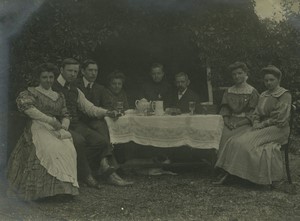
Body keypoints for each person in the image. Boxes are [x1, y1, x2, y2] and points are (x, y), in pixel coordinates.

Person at [52, 58, 133, 188]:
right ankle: (87, 175)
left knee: (101, 141)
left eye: (75, 71)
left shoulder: (74, 88)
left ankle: (96, 169)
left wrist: (107, 112)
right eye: (70, 71)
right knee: (79, 141)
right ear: (61, 70)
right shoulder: (53, 86)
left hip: (76, 124)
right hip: (60, 125)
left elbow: (88, 107)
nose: (73, 74)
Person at [6, 63, 79, 201]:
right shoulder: (31, 92)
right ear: (39, 78)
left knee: (69, 148)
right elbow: (28, 109)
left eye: (51, 77)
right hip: (37, 125)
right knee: (50, 148)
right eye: (44, 77)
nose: (48, 80)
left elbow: (66, 113)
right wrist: (50, 121)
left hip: (56, 128)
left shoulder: (59, 95)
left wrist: (64, 126)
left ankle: (63, 190)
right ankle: (43, 192)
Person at [214, 65, 292, 186]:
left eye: (272, 80)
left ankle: (251, 176)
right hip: (261, 126)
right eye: (266, 80)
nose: (268, 83)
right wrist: (255, 122)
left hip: (278, 129)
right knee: (233, 140)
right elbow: (256, 113)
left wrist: (261, 125)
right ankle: (232, 173)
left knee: (244, 143)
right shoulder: (264, 94)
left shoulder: (284, 94)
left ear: (278, 80)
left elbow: (280, 118)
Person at [218, 62, 259, 152]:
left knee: (236, 141)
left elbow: (253, 114)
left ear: (246, 74)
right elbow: (225, 110)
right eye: (234, 74)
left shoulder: (252, 91)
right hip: (230, 122)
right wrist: (227, 123)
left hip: (246, 123)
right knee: (220, 136)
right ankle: (222, 165)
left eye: (240, 73)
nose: (237, 76)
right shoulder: (228, 91)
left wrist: (238, 124)